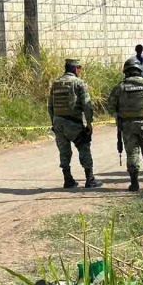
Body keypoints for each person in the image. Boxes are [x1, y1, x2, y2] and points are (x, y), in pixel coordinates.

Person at [107, 57, 143, 192]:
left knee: (132, 154)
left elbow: (110, 107)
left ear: (126, 72)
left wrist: (120, 114)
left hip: (127, 126)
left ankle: (134, 183)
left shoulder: (120, 87)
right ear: (139, 71)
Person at [48, 59, 103, 189]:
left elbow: (50, 107)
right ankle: (90, 180)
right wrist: (89, 123)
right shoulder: (78, 83)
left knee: (64, 151)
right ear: (75, 69)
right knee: (83, 146)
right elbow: (87, 105)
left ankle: (68, 180)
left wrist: (54, 123)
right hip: (73, 123)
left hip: (58, 122)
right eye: (79, 68)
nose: (80, 71)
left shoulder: (55, 83)